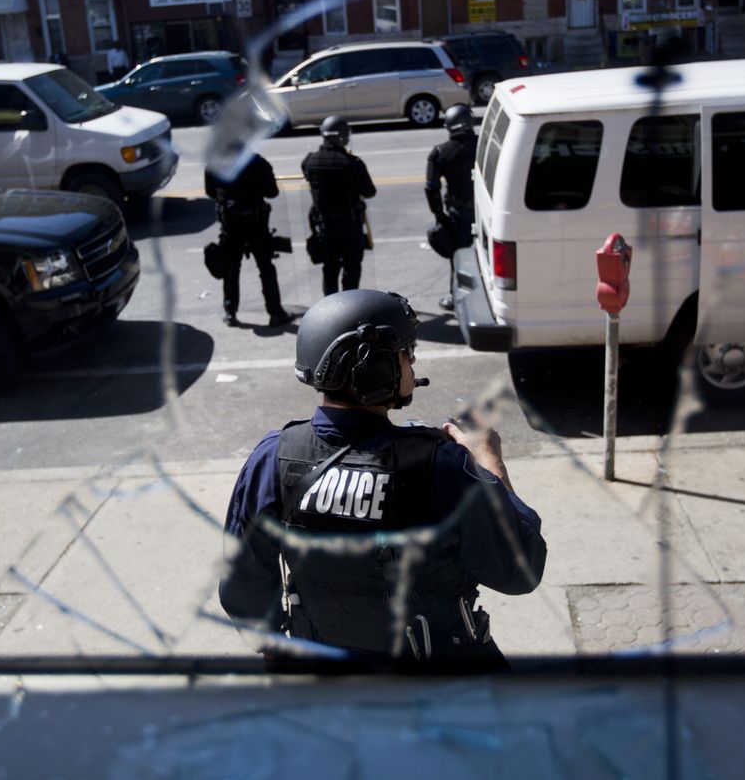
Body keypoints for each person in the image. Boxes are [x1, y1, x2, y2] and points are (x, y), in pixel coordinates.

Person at [219, 290, 547, 671]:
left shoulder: (272, 457)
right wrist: (492, 468)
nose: (412, 362)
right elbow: (520, 570)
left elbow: (241, 584)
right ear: (376, 370)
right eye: (406, 353)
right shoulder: (443, 465)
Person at [204, 154, 293, 327]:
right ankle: (275, 313)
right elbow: (272, 192)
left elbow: (211, 192)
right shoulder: (258, 162)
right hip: (256, 224)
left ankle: (230, 312)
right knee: (266, 268)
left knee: (231, 269)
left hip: (231, 225)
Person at [302, 116, 377, 295]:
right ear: (342, 137)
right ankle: (349, 311)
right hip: (349, 226)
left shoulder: (310, 161)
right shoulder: (353, 163)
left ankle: (331, 311)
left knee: (330, 269)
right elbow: (369, 191)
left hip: (325, 226)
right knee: (351, 269)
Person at [425, 104, 478, 311]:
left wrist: (440, 216)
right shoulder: (485, 144)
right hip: (486, 210)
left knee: (459, 258)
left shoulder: (440, 152)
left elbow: (431, 188)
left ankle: (457, 298)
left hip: (459, 213)